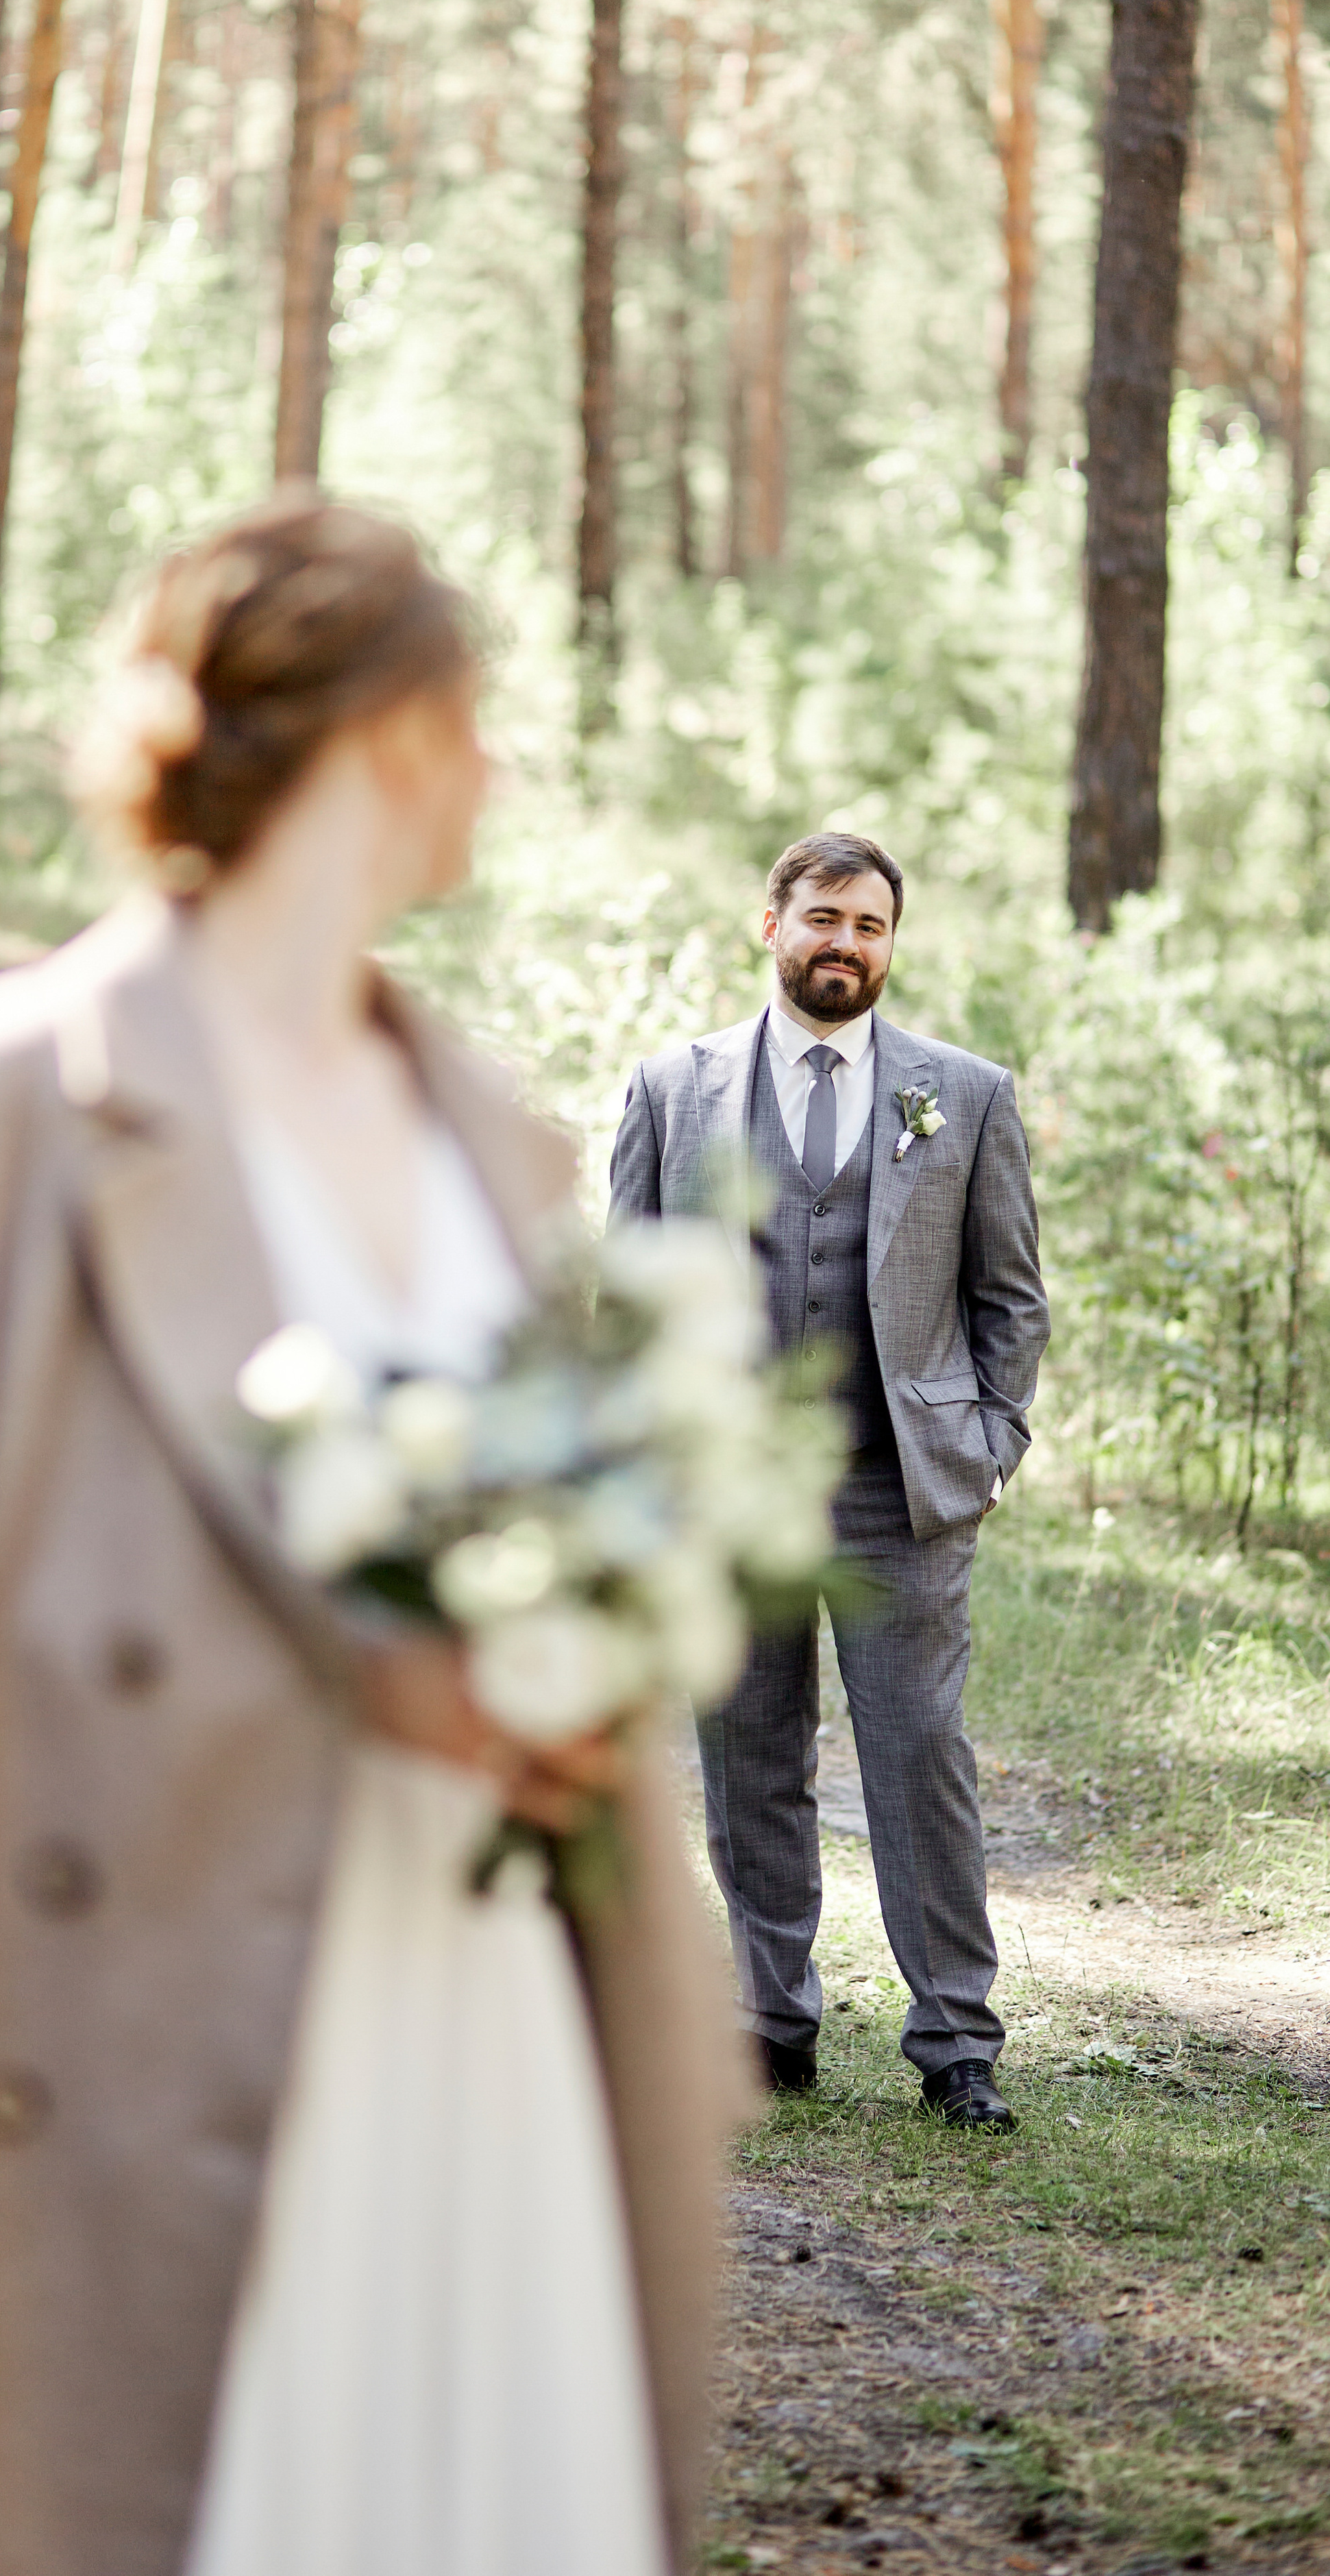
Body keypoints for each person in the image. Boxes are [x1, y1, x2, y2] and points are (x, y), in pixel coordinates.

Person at [0, 493, 746, 2576]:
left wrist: (583, 1683)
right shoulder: (21, 1086)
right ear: (389, 733)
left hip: (489, 2014)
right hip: (146, 2014)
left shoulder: (487, 1121)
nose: (495, 773)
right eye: (479, 723)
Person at [606, 831, 1049, 2132]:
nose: (844, 944)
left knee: (920, 1755)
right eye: (823, 919)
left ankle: (956, 2039)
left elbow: (1009, 1298)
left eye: (869, 926)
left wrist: (989, 1445)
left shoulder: (963, 1095)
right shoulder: (671, 1087)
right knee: (749, 1753)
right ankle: (771, 2019)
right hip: (726, 1487)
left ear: (890, 944)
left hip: (900, 1489)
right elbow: (625, 1296)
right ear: (771, 926)